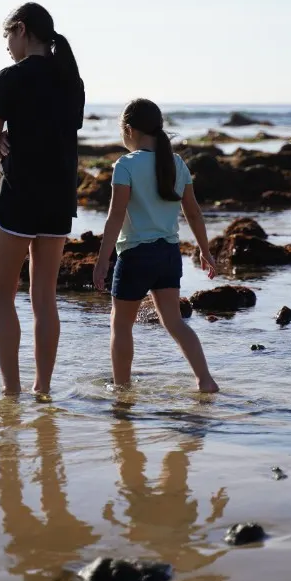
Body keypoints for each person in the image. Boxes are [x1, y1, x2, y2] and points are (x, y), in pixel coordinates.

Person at [0, 2, 85, 396]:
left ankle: (12, 391)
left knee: (2, 297)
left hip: (20, 197)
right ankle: (43, 389)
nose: (8, 44)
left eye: (8, 35)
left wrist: (5, 143)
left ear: (22, 29)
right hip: (59, 200)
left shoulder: (10, 77)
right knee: (44, 297)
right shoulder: (72, 81)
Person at [93, 99, 219, 393]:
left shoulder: (125, 165)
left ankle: (122, 390)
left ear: (129, 129)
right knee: (174, 322)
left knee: (121, 325)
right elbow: (194, 212)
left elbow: (115, 217)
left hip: (135, 256)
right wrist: (205, 250)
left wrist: (102, 260)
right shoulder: (176, 163)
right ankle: (206, 380)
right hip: (168, 255)